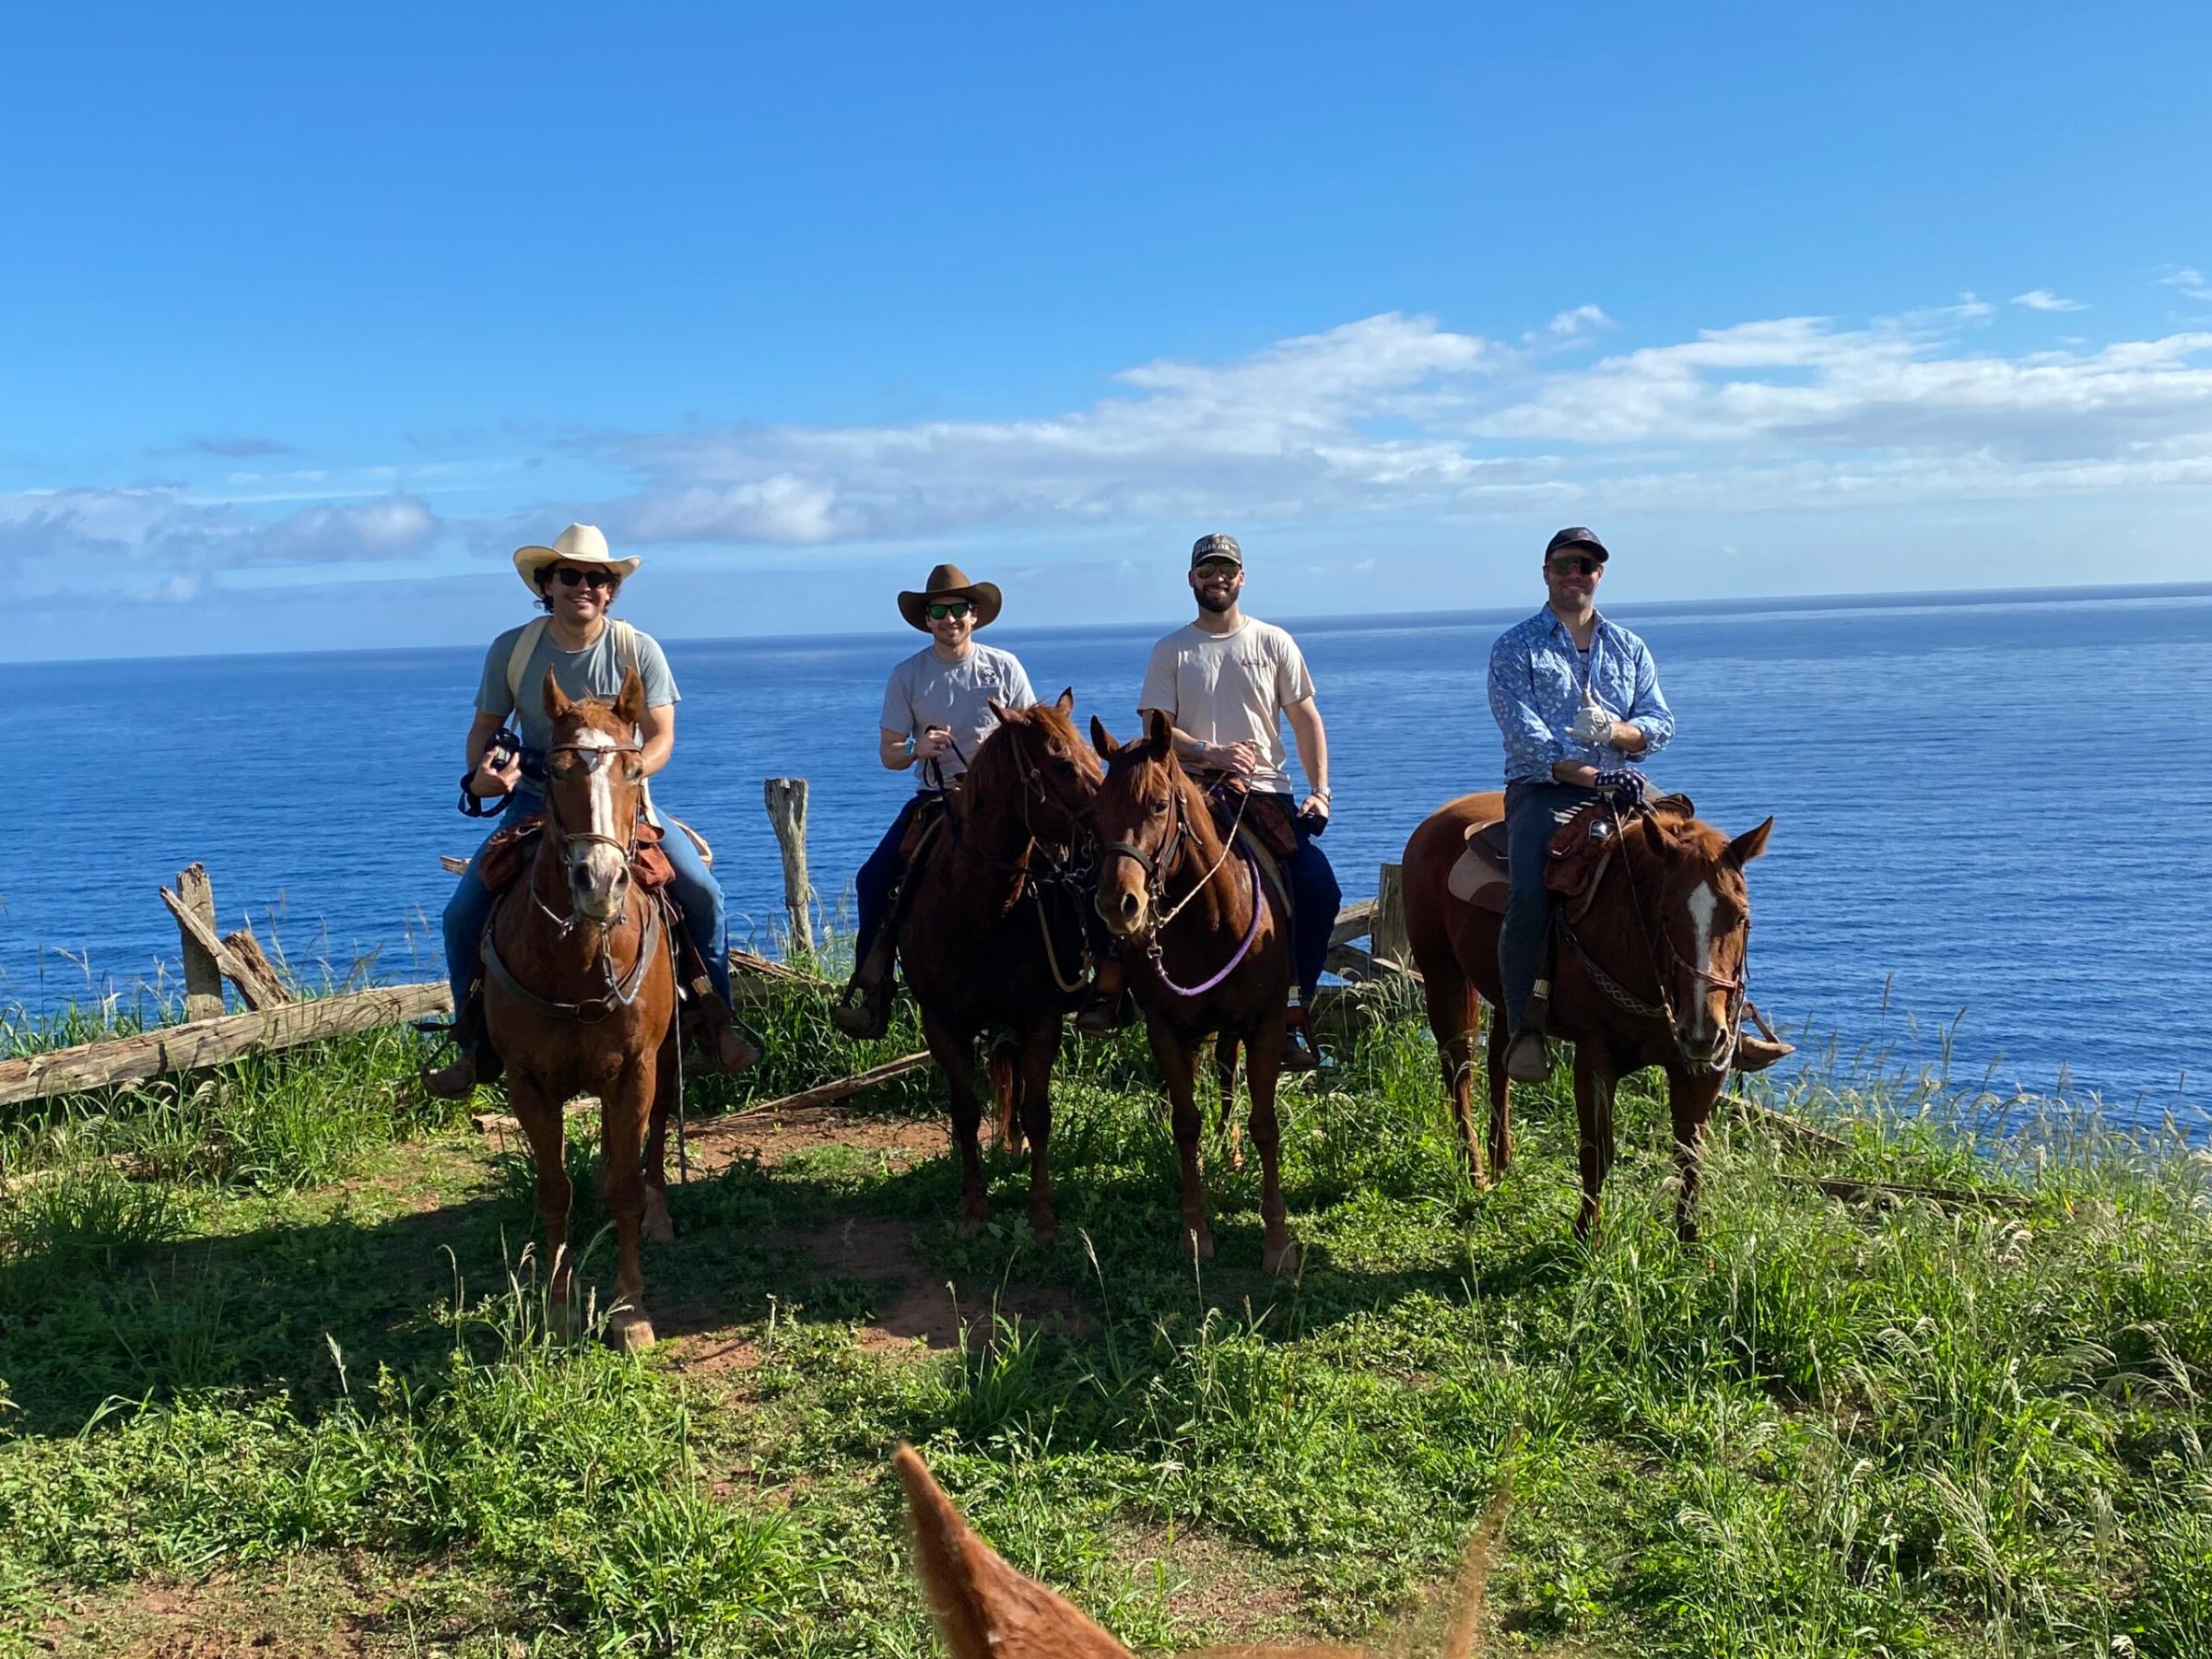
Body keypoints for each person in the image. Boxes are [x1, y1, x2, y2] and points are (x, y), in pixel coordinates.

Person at [424, 524, 754, 1098]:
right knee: (462, 913)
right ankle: (471, 1040)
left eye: (597, 578)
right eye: (570, 575)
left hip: (627, 802)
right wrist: (482, 777)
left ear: (611, 591)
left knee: (701, 891)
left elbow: (662, 736)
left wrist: (621, 776)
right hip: (534, 801)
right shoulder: (515, 649)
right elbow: (482, 731)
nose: (584, 586)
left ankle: (718, 1019)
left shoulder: (637, 649)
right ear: (546, 585)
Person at [1130, 532, 1340, 1068]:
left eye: (1226, 570)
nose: (1216, 578)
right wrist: (1210, 751)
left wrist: (1320, 791)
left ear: (1241, 577)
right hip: (1190, 788)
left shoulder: (1273, 642)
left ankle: (1293, 1003)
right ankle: (1112, 990)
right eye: (1207, 571)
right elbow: (1157, 727)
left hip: (1264, 790)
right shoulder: (1171, 650)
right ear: (1192, 579)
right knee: (1126, 870)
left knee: (1318, 888)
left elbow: (1306, 720)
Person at [1485, 526, 1676, 1081]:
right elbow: (1526, 737)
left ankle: (1712, 1016)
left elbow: (1660, 722)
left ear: (1599, 575)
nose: (1575, 574)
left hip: (1625, 785)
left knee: (1700, 870)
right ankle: (1525, 1027)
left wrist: (1620, 733)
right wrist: (1592, 775)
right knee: (1528, 892)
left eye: (1586, 566)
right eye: (1565, 564)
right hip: (1545, 788)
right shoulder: (1515, 646)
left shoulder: (1629, 646)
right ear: (1546, 572)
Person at [830, 563, 1038, 1039]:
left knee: (1071, 868)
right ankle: (872, 989)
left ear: (975, 615)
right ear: (927, 620)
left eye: (959, 609)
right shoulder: (907, 675)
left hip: (1004, 802)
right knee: (873, 881)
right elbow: (888, 753)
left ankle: (1092, 982)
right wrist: (916, 750)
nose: (950, 619)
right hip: (936, 799)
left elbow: (1032, 733)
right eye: (939, 611)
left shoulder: (1004, 667)